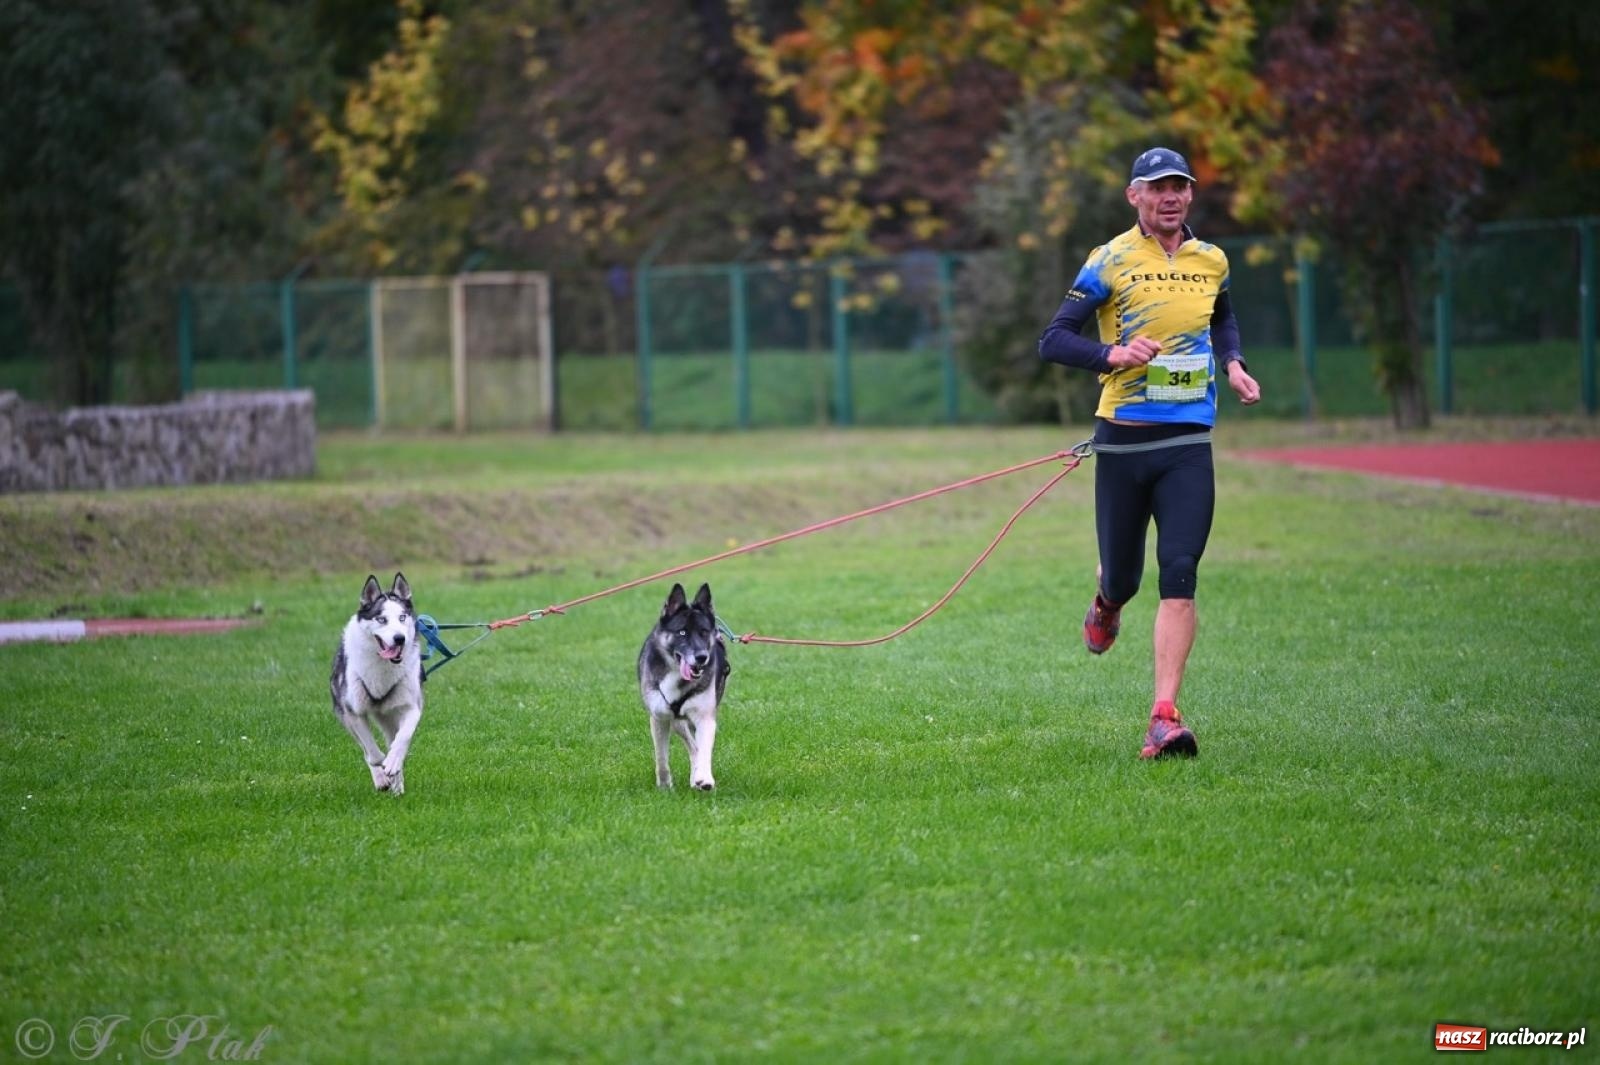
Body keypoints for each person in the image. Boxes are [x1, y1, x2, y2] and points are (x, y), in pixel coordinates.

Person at [1037, 146, 1261, 759]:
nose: (1172, 197)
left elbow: (1223, 318)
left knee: (1180, 578)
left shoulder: (1211, 259)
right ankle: (1107, 601)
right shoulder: (1108, 261)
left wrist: (1233, 364)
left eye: (1181, 187)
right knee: (1127, 577)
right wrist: (1112, 354)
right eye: (1158, 187)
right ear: (1135, 196)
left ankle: (1163, 717)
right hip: (1124, 442)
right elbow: (1053, 340)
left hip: (1188, 443)